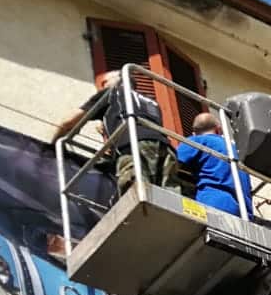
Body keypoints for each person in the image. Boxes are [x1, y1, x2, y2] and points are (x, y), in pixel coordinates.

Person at [53, 68, 177, 197]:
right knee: (169, 198)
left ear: (118, 80)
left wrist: (54, 143)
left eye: (105, 81)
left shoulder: (112, 93)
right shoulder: (151, 101)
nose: (103, 85)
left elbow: (69, 122)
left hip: (134, 145)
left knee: (136, 194)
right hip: (166, 149)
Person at [176, 112, 255, 218]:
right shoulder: (236, 151)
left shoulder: (197, 141)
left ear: (194, 133)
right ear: (219, 130)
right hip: (244, 212)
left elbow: (172, 161)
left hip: (214, 204)